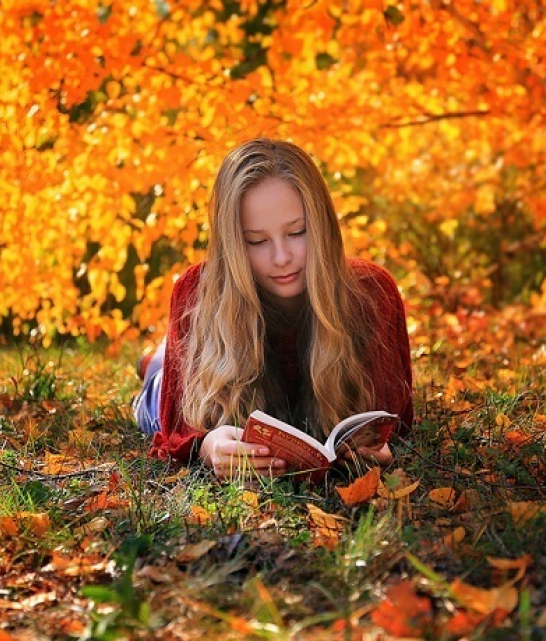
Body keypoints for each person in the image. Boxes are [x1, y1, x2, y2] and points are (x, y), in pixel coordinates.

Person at [134, 138, 413, 479]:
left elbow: (397, 413)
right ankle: (154, 367)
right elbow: (175, 428)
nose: (282, 258)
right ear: (234, 243)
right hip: (165, 386)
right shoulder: (197, 291)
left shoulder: (372, 292)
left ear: (322, 227)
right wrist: (208, 445)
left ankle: (161, 358)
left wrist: (377, 445)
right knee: (157, 394)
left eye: (297, 232)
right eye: (257, 241)